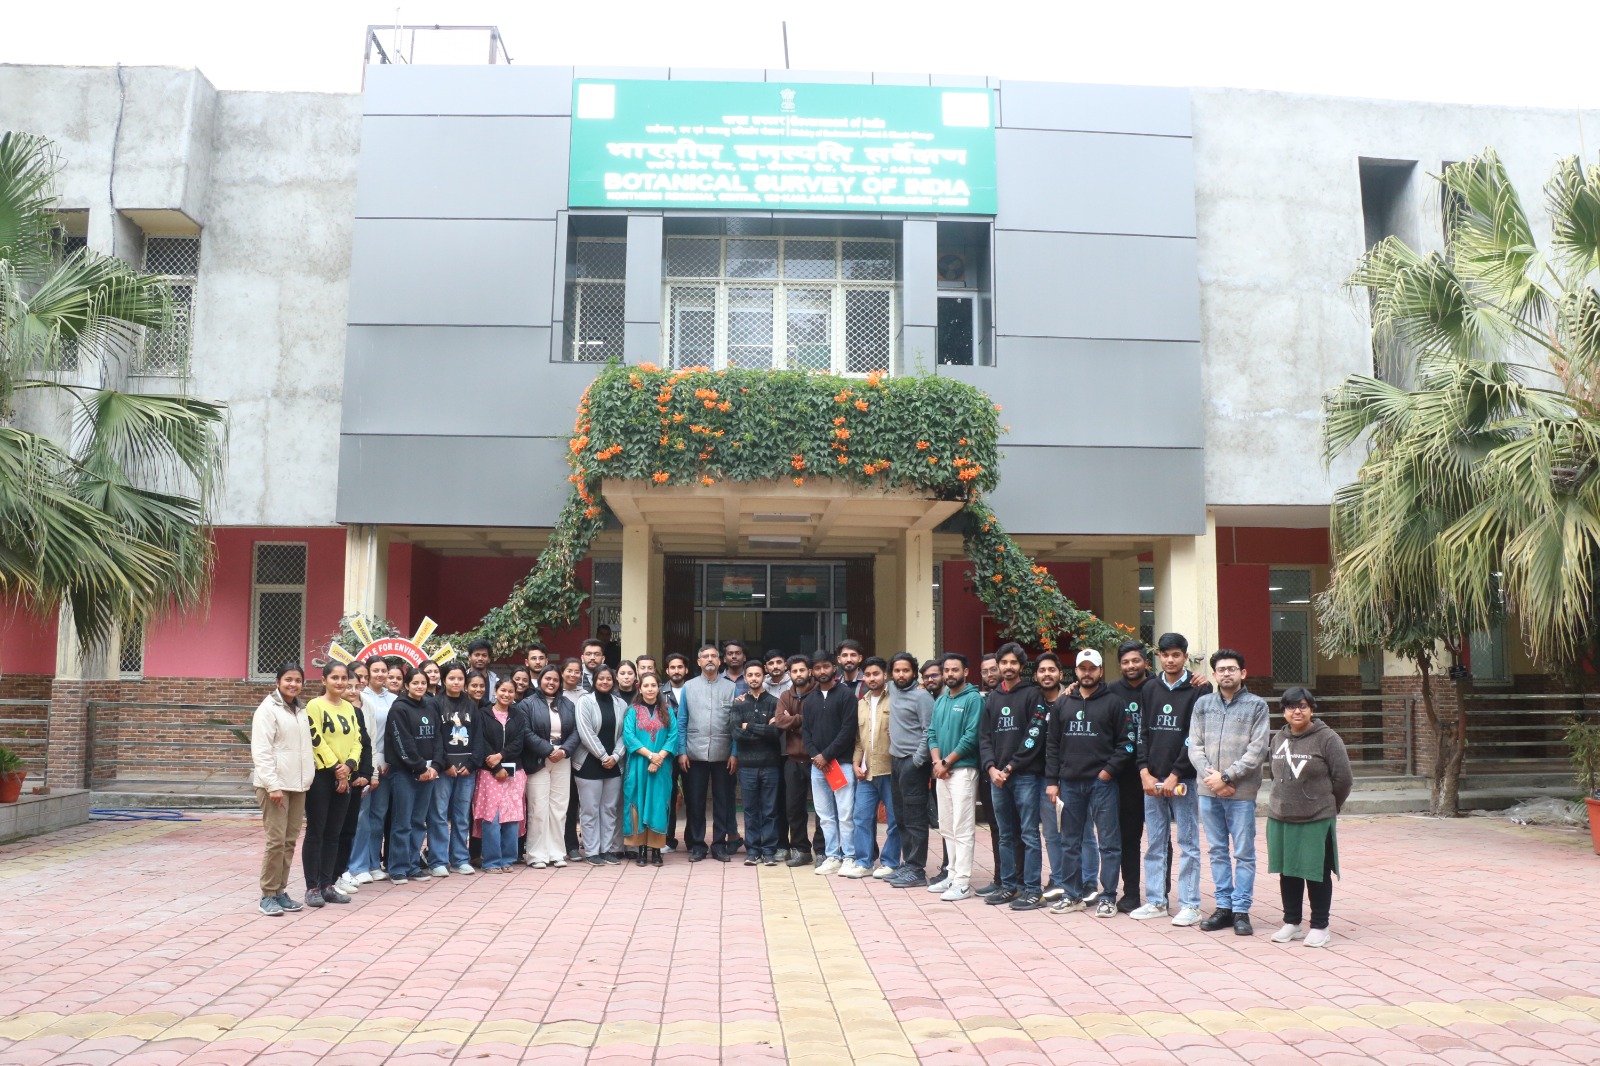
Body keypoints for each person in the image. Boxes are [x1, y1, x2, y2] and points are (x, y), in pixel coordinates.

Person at [1189, 648, 1272, 937]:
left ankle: (1241, 911)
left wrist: (1227, 777)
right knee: (1217, 851)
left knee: (1244, 853)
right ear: (1214, 674)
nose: (1226, 673)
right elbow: (1194, 746)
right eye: (1221, 669)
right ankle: (1223, 907)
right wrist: (1212, 779)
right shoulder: (1203, 705)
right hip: (1208, 791)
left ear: (1242, 673)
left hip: (1241, 792)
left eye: (1231, 669)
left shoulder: (1257, 706)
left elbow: (1257, 750)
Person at [1130, 632, 1210, 926]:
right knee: (1155, 843)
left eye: (1176, 655)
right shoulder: (1150, 688)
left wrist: (1176, 773)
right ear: (1159, 657)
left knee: (1188, 842)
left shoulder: (1199, 689)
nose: (1171, 660)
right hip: (1152, 781)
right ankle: (1156, 901)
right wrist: (1145, 773)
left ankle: (1190, 904)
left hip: (1183, 781)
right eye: (1165, 655)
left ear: (1185, 657)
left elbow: (1194, 736)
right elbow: (1143, 733)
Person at [1266, 687, 1352, 949]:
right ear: (1284, 711)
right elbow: (1273, 773)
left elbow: (1343, 779)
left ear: (1312, 709)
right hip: (1281, 816)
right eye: (1291, 707)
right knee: (1288, 871)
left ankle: (1319, 926)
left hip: (1316, 817)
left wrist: (1327, 805)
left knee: (1316, 872)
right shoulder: (1278, 738)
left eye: (1303, 706)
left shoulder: (1327, 738)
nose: (1297, 711)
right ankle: (1292, 922)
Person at [1045, 649, 1127, 918]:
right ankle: (1072, 894)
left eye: (1093, 668)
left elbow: (1125, 743)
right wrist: (1052, 781)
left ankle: (1108, 896)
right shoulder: (1063, 704)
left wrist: (1107, 772)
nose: (1087, 673)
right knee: (1069, 841)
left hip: (1102, 784)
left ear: (1101, 671)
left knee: (1109, 843)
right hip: (1069, 783)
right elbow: (1053, 745)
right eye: (1083, 668)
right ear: (1076, 671)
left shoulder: (1113, 703)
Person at [977, 642, 1042, 908]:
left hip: (1024, 776)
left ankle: (1032, 889)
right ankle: (1008, 886)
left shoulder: (1032, 695)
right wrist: (991, 768)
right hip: (997, 779)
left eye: (1013, 663)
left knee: (1028, 834)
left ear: (1021, 667)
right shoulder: (993, 697)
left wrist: (1010, 767)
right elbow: (984, 737)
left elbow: (1034, 735)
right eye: (1004, 662)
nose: (1008, 667)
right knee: (1005, 834)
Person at [250, 664, 313, 916]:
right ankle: (267, 894)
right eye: (288, 679)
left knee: (288, 842)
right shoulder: (267, 709)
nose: (293, 684)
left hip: (298, 786)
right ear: (278, 682)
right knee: (275, 841)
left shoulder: (300, 709)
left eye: (297, 680)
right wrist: (272, 784)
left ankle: (280, 891)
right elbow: (262, 750)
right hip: (274, 786)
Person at [300, 662, 364, 907]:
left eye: (343, 678)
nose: (340, 682)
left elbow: (357, 740)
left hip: (344, 775)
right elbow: (315, 738)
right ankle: (312, 887)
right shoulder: (315, 706)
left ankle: (328, 884)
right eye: (334, 678)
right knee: (317, 832)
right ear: (324, 680)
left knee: (334, 833)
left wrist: (348, 765)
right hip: (322, 776)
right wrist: (337, 768)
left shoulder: (349, 707)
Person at [927, 653, 983, 902]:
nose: (950, 674)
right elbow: (931, 734)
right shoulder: (940, 700)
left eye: (955, 670)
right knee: (947, 827)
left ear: (966, 672)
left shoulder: (973, 699)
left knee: (962, 827)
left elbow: (971, 738)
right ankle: (951, 874)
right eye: (946, 670)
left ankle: (962, 882)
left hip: (963, 770)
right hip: (942, 771)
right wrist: (937, 763)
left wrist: (947, 762)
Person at [1105, 639, 1155, 911]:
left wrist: (1201, 682)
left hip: (1156, 773)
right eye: (1125, 662)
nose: (1131, 666)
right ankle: (1131, 893)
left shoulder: (1158, 686)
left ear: (1145, 662)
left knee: (1160, 838)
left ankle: (1161, 894)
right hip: (1124, 775)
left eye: (1136, 660)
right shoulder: (1112, 690)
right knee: (1128, 836)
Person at [679, 645, 738, 861]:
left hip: (724, 754)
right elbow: (682, 720)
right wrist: (681, 751)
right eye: (706, 656)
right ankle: (697, 845)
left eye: (714, 656)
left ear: (720, 661)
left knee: (723, 800)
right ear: (699, 661)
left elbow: (736, 723)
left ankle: (719, 844)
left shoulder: (731, 688)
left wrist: (734, 752)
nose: (710, 659)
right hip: (694, 753)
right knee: (695, 801)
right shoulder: (689, 686)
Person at [802, 649, 859, 876]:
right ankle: (832, 855)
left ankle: (850, 856)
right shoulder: (810, 699)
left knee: (845, 813)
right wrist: (817, 756)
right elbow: (806, 732)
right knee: (824, 815)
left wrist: (827, 755)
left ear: (833, 668)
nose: (822, 671)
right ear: (812, 671)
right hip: (818, 767)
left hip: (841, 763)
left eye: (826, 666)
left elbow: (848, 730)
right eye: (817, 668)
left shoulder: (845, 695)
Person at [385, 666, 442, 884]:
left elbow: (438, 737)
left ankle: (412, 865)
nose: (420, 687)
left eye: (423, 683)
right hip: (405, 773)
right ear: (407, 685)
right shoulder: (399, 708)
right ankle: (397, 868)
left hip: (429, 773)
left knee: (419, 822)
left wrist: (435, 765)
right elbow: (402, 742)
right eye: (415, 683)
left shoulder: (431, 705)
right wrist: (420, 767)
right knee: (402, 822)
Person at [520, 666, 579, 868]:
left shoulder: (568, 704)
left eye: (555, 679)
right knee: (538, 808)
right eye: (547, 679)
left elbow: (576, 731)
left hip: (562, 758)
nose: (551, 683)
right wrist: (547, 750)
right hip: (538, 760)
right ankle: (536, 854)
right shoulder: (527, 704)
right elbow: (525, 732)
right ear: (540, 681)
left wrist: (563, 751)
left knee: (559, 807)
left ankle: (556, 853)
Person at [885, 653, 934, 888]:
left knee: (915, 818)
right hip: (895, 760)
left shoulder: (922, 697)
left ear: (914, 673)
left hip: (913, 764)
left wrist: (918, 760)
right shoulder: (892, 690)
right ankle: (907, 864)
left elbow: (929, 730)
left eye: (905, 670)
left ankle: (917, 869)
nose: (901, 675)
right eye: (896, 671)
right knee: (901, 815)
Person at [427, 663, 480, 877]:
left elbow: (477, 737)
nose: (456, 682)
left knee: (461, 816)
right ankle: (438, 860)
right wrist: (445, 764)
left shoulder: (471, 705)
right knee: (439, 814)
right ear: (443, 680)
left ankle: (459, 858)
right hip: (443, 769)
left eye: (460, 679)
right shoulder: (435, 703)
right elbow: (436, 736)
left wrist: (471, 764)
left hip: (467, 771)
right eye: (451, 678)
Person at [622, 672, 679, 866]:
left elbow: (673, 736)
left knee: (658, 804)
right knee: (637, 803)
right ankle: (641, 850)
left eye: (653, 685)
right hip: (639, 765)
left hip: (661, 768)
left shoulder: (667, 710)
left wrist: (659, 758)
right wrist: (650, 756)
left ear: (658, 688)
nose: (650, 689)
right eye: (646, 685)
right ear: (640, 687)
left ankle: (656, 851)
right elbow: (629, 737)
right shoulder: (633, 711)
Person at [348, 655, 396, 886]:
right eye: (372, 671)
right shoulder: (357, 697)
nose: (378, 675)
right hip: (362, 766)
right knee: (361, 817)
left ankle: (373, 862)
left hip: (384, 766)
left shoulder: (394, 699)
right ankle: (356, 865)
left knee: (378, 817)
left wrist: (385, 762)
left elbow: (387, 735)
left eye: (382, 671)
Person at [851, 656, 900, 880]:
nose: (872, 678)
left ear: (885, 675)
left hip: (891, 770)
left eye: (876, 674)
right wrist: (855, 762)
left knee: (893, 819)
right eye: (868, 675)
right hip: (866, 772)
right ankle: (864, 861)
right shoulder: (861, 703)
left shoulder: (896, 700)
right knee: (861, 818)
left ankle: (890, 862)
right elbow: (860, 740)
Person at [573, 664, 628, 864]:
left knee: (609, 809)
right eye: (601, 679)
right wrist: (604, 756)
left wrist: (615, 756)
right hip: (589, 764)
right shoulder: (584, 701)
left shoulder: (621, 703)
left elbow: (625, 734)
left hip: (614, 764)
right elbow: (585, 732)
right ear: (594, 681)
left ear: (613, 682)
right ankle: (592, 851)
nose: (605, 682)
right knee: (589, 810)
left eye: (608, 679)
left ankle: (607, 849)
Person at [474, 677, 529, 872]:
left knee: (512, 817)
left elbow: (519, 742)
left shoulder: (519, 715)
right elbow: (480, 741)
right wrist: (496, 767)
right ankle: (491, 861)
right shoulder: (483, 714)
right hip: (489, 773)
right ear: (496, 691)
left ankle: (507, 859)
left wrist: (501, 755)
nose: (506, 695)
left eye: (510, 692)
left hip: (515, 772)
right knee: (492, 817)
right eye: (503, 690)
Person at [734, 661, 783, 866]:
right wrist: (763, 729)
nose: (754, 678)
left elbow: (776, 734)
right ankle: (753, 850)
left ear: (764, 677)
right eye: (750, 675)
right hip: (747, 766)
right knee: (750, 809)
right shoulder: (738, 704)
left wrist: (750, 726)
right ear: (745, 678)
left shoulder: (775, 702)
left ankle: (769, 851)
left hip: (770, 763)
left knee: (770, 809)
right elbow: (737, 733)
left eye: (757, 674)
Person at [1029, 654, 1069, 904]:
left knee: (1070, 833)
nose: (1046, 674)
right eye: (1042, 670)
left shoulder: (1072, 698)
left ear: (1060, 674)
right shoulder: (1033, 701)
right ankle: (1057, 878)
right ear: (1036, 676)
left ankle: (1073, 880)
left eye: (1051, 669)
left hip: (1067, 776)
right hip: (1037, 776)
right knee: (1048, 832)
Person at [771, 654, 815, 868]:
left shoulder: (818, 695)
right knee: (794, 808)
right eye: (795, 671)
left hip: (817, 760)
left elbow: (817, 721)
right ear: (790, 674)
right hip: (793, 760)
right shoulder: (785, 696)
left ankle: (824, 851)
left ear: (810, 672)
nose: (799, 674)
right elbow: (780, 721)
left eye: (802, 670)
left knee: (823, 809)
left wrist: (793, 721)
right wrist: (801, 720)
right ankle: (801, 850)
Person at [660, 652, 693, 853]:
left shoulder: (694, 690)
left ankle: (693, 841)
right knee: (668, 797)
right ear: (667, 671)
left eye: (680, 667)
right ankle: (668, 839)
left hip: (691, 751)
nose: (676, 671)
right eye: (672, 667)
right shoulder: (659, 693)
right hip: (667, 754)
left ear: (686, 670)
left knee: (693, 798)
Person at [559, 657, 587, 859]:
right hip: (557, 756)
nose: (573, 675)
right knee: (560, 802)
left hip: (581, 755)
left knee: (574, 802)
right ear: (562, 672)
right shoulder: (553, 692)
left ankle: (572, 844)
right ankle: (556, 844)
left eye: (577, 672)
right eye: (569, 670)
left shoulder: (586, 696)